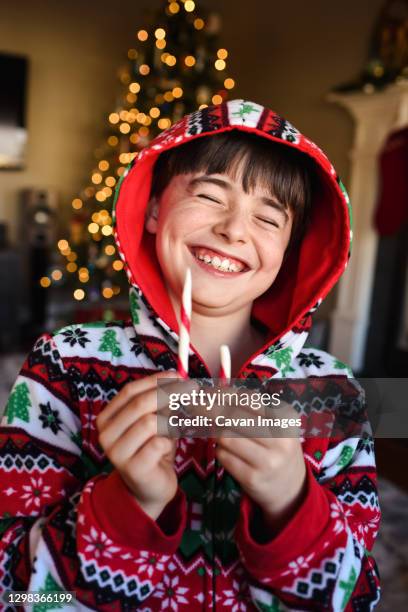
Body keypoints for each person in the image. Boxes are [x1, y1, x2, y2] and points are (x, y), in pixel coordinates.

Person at [0, 99, 380, 611]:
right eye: (208, 194)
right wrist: (128, 505)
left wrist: (292, 505)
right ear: (154, 209)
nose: (234, 229)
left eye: (269, 218)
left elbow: (355, 600)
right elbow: (15, 593)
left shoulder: (335, 396)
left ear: (291, 252)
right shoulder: (63, 365)